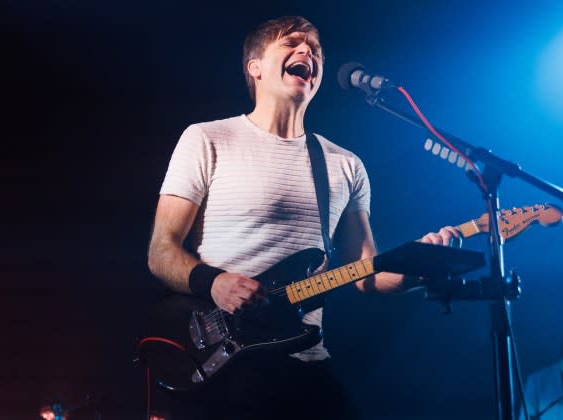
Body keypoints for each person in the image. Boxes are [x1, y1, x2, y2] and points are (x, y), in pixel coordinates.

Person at [147, 15, 460, 420]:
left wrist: (419, 268)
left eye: (315, 49)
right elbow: (161, 251)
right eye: (292, 42)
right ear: (255, 67)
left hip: (304, 358)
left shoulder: (346, 165)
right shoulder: (206, 138)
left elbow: (365, 274)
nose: (307, 51)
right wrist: (216, 282)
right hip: (223, 359)